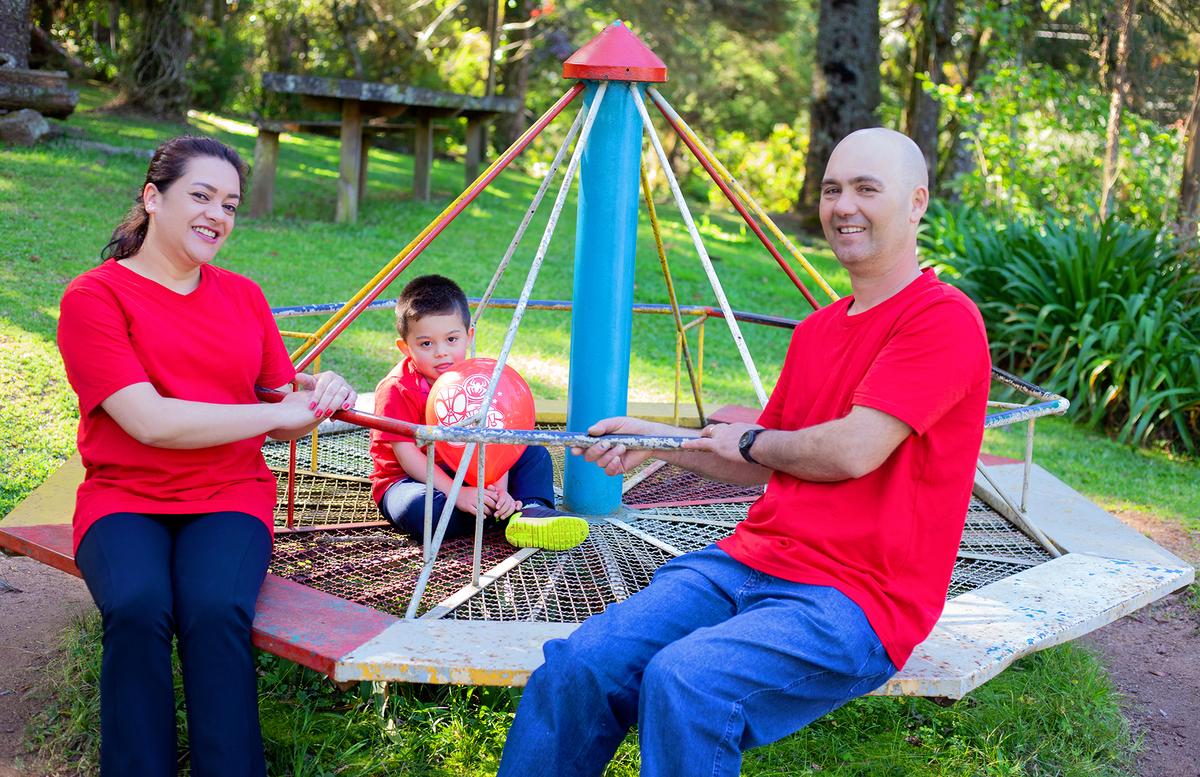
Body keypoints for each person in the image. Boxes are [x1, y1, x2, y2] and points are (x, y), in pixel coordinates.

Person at [496, 128, 992, 777]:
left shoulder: (942, 318)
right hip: (746, 561)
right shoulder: (818, 332)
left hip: (858, 596)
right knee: (582, 664)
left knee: (687, 683)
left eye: (867, 189)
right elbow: (759, 458)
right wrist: (660, 442)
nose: (845, 205)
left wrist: (750, 438)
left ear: (916, 202)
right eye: (833, 189)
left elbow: (852, 451)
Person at [56, 135, 357, 777]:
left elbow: (281, 407)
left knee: (214, 610)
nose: (217, 215)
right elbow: (149, 421)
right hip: (124, 497)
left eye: (230, 203)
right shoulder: (94, 297)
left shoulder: (243, 296)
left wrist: (320, 393)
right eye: (200, 195)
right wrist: (277, 412)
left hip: (228, 494)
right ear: (152, 198)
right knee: (137, 607)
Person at [369, 274, 588, 550]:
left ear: (468, 336)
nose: (441, 353)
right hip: (411, 479)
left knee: (533, 453)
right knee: (418, 509)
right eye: (426, 344)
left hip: (472, 467)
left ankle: (531, 510)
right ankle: (501, 514)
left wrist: (497, 487)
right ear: (406, 347)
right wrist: (458, 493)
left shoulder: (476, 379)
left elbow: (495, 441)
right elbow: (407, 456)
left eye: (451, 339)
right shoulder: (396, 388)